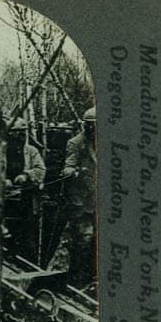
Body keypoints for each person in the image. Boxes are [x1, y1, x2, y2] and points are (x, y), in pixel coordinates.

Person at [49, 106, 97, 288]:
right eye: (90, 126)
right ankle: (77, 281)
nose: (93, 129)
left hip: (99, 200)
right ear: (86, 126)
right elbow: (67, 166)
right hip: (81, 202)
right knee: (84, 239)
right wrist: (73, 171)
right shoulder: (76, 143)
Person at [0, 118, 46, 250]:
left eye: (23, 132)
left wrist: (26, 175)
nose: (20, 136)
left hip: (26, 201)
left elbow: (41, 170)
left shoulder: (31, 151)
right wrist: (2, 182)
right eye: (17, 132)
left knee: (26, 236)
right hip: (3, 201)